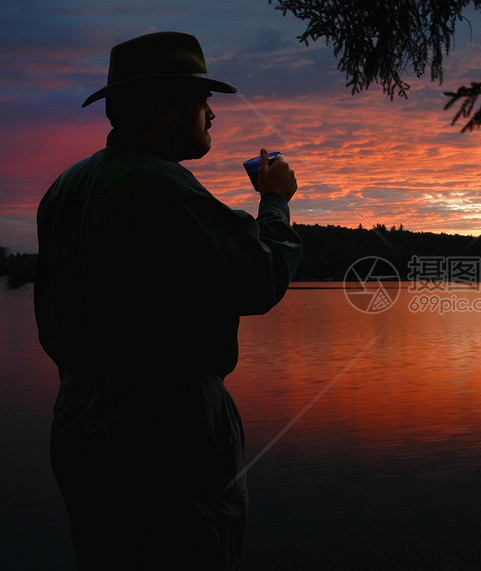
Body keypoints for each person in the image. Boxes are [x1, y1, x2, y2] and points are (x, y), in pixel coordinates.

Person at [34, 31, 302, 569]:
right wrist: (274, 201)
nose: (211, 113)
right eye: (201, 100)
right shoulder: (165, 186)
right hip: (167, 424)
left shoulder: (64, 188)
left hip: (79, 419)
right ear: (164, 109)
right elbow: (260, 278)